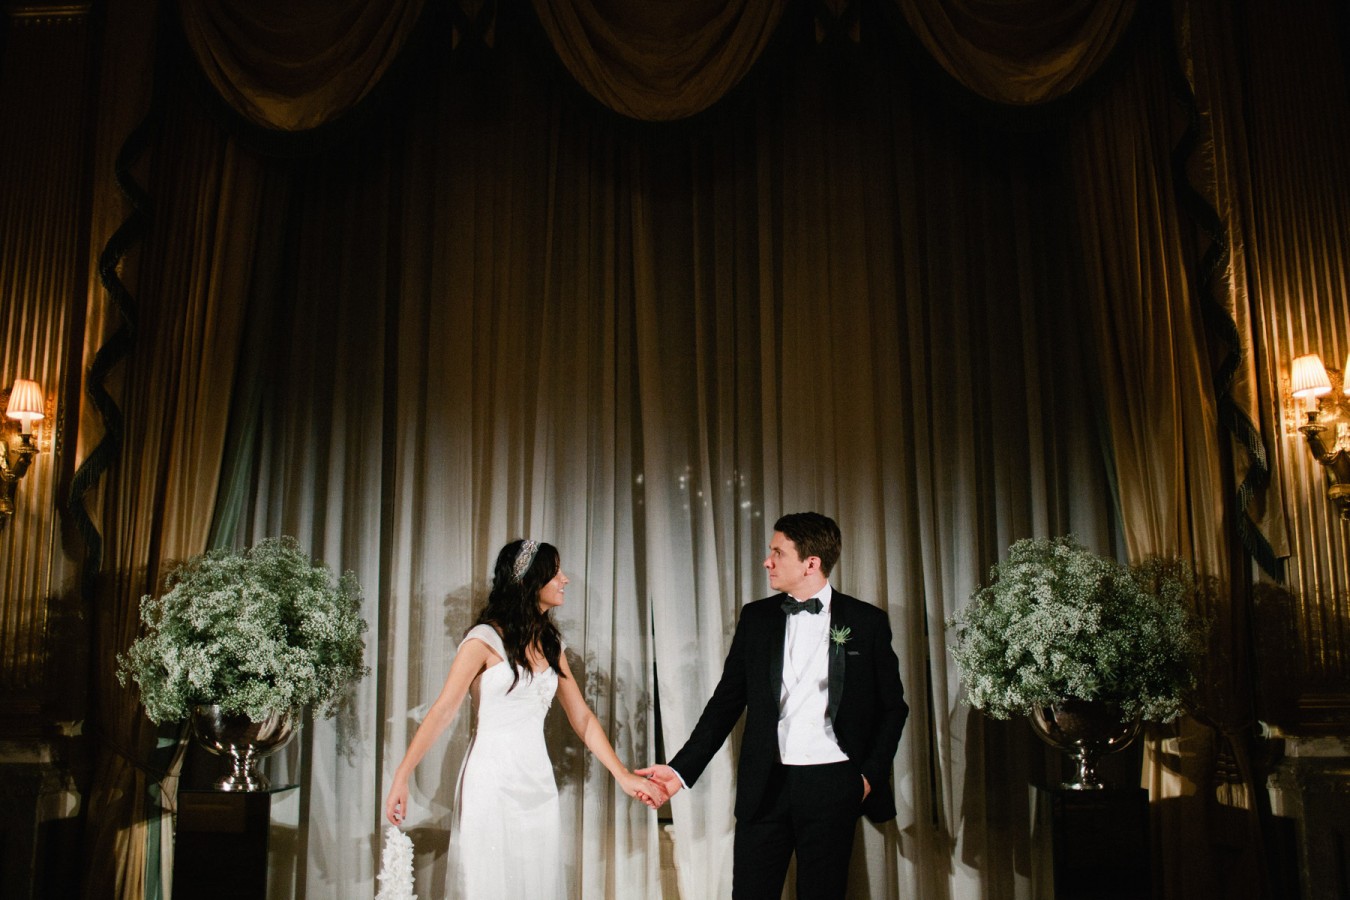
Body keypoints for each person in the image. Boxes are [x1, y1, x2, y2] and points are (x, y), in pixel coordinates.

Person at [638, 512, 907, 900]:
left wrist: (866, 776)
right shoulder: (757, 618)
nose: (768, 561)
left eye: (778, 552)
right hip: (765, 782)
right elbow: (725, 704)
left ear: (811, 563)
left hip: (832, 783)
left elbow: (893, 707)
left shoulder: (867, 621)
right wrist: (680, 771)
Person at [384, 539, 664, 899]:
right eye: (556, 572)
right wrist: (402, 776)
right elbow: (442, 711)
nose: (565, 580)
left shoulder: (551, 644)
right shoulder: (483, 640)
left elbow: (582, 717)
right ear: (530, 580)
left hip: (537, 782)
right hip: (491, 781)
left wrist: (622, 775)